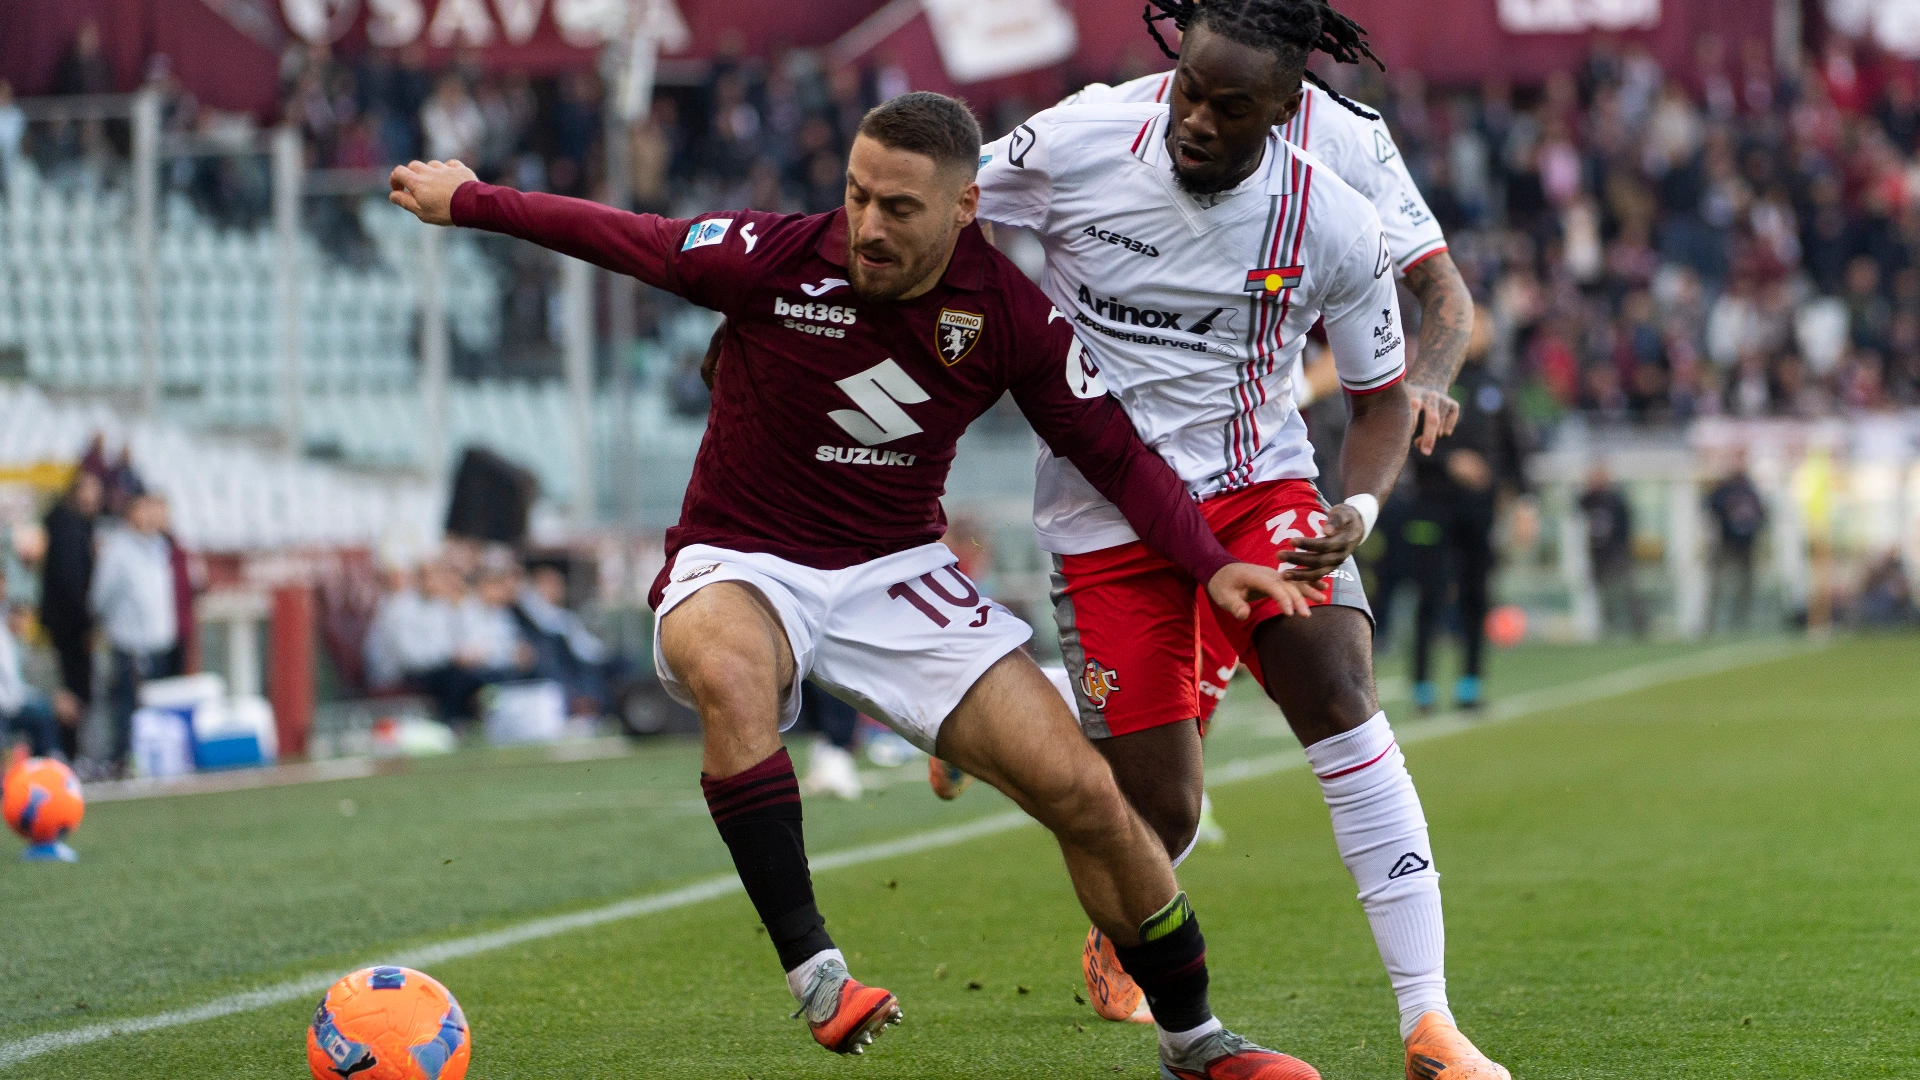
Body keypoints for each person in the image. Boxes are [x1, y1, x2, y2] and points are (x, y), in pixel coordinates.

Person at [389, 90, 1328, 1079]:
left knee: (1090, 796)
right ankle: (818, 975)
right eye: (857, 195)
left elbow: (1117, 457)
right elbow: (627, 236)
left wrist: (1212, 563)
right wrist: (472, 200)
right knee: (732, 671)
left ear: (965, 206)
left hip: (896, 572)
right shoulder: (771, 255)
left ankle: (1197, 1041)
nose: (868, 226)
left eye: (899, 207)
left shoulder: (1009, 313)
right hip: (740, 557)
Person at [970, 3, 1508, 1076]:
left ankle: (1431, 1023)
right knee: (1159, 816)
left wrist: (1357, 512)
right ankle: (992, 715)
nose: (1198, 121)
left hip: (1258, 492)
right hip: (1107, 513)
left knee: (1340, 692)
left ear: (1285, 110)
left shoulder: (1335, 207)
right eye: (1189, 92)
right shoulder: (1079, 138)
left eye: (1230, 107)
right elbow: (940, 198)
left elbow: (1381, 396)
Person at [1042, 0, 1476, 859]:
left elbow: (1446, 294)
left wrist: (1424, 381)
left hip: (1255, 461)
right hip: (1117, 474)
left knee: (1262, 701)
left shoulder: (1349, 140)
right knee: (1167, 778)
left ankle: (1038, 707)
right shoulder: (1125, 118)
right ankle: (1022, 704)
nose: (1201, 116)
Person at [1404, 307, 1530, 712]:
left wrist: (1524, 502)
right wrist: (1449, 462)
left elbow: (1515, 449)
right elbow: (1403, 442)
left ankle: (1470, 685)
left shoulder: (1496, 383)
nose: (1481, 334)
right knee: (1430, 593)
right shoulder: (1428, 380)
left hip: (1479, 509)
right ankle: (1422, 686)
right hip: (1432, 506)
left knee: (1477, 594)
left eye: (1485, 327)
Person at [91, 491, 180, 775]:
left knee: (155, 706)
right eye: (144, 509)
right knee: (128, 706)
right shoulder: (118, 551)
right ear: (131, 513)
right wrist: (119, 624)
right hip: (130, 643)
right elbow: (101, 597)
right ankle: (123, 761)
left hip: (159, 641)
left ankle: (155, 759)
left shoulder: (159, 548)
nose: (151, 516)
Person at [38, 471, 100, 761]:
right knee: (72, 693)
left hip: (62, 624)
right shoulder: (70, 531)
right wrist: (86, 624)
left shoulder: (71, 526)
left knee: (72, 691)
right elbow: (71, 583)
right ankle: (68, 753)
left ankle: (69, 752)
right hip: (69, 627)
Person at [1, 567, 61, 758]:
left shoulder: (10, 637)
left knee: (44, 711)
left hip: (12, 702)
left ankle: (47, 762)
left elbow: (14, 684)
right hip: (4, 705)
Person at [1579, 463, 1645, 637]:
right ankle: (1609, 626)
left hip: (1617, 553)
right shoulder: (1589, 500)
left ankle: (1640, 626)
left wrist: (1624, 549)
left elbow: (1626, 527)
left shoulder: (1616, 500)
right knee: (1603, 593)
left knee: (1627, 589)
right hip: (1597, 554)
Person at [1705, 454, 1766, 632]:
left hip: (1746, 545)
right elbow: (1710, 509)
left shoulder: (1751, 489)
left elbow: (1762, 515)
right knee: (1717, 585)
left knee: (1746, 586)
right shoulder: (1723, 489)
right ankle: (1710, 624)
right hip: (1726, 543)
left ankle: (1740, 622)